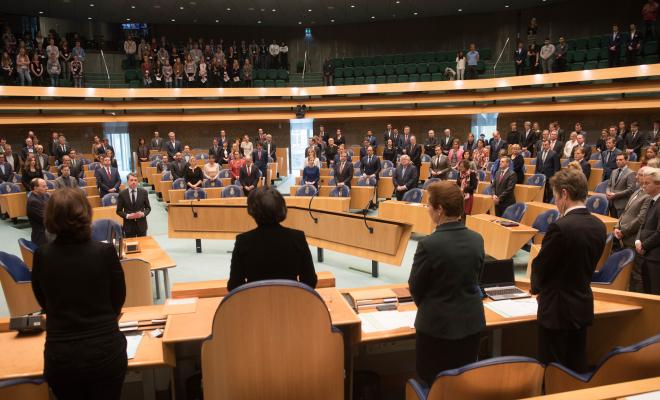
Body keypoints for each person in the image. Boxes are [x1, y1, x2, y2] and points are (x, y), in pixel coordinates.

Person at [31, 188, 127, 399]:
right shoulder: (104, 252)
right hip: (105, 350)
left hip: (61, 354)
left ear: (50, 217)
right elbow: (118, 300)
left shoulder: (42, 255)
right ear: (86, 214)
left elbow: (43, 300)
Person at [408, 181, 484, 386]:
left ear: (439, 209)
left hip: (436, 329)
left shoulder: (428, 244)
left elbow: (416, 288)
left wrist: (434, 305)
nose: (427, 210)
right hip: (470, 326)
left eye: (428, 205)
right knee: (462, 383)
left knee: (434, 384)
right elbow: (476, 279)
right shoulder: (477, 239)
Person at [531, 168, 607, 373]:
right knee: (576, 368)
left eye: (555, 196)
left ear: (564, 194)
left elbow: (542, 266)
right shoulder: (599, 226)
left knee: (553, 371)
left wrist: (537, 290)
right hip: (581, 304)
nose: (555, 202)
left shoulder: (560, 227)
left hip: (556, 310)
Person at [227, 186, 317, 290]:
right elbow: (310, 281)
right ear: (282, 207)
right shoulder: (297, 238)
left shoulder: (243, 242)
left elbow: (234, 285)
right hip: (292, 302)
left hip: (256, 303)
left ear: (252, 211)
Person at [614, 167, 651, 292]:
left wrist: (623, 231)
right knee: (626, 273)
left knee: (636, 274)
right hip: (624, 237)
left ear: (648, 177)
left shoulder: (648, 196)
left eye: (640, 175)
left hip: (632, 239)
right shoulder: (637, 191)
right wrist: (617, 226)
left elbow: (641, 219)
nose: (636, 177)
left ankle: (637, 300)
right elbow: (626, 212)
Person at [636, 168, 660, 294]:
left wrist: (644, 245)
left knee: (654, 294)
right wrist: (639, 240)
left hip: (655, 258)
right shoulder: (652, 201)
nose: (643, 186)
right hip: (648, 255)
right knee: (647, 291)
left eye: (647, 183)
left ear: (658, 184)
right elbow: (644, 224)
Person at [116, 173, 151, 237]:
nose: (133, 182)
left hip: (141, 225)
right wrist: (127, 216)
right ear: (128, 181)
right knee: (131, 246)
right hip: (129, 226)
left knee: (143, 245)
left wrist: (143, 214)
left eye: (135, 180)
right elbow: (118, 211)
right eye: (131, 180)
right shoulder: (122, 194)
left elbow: (148, 208)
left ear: (138, 182)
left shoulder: (144, 192)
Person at [27, 178, 50, 246]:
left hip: (49, 232)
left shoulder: (46, 195)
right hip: (42, 236)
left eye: (46, 186)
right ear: (35, 188)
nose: (47, 188)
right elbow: (45, 219)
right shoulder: (33, 201)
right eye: (44, 186)